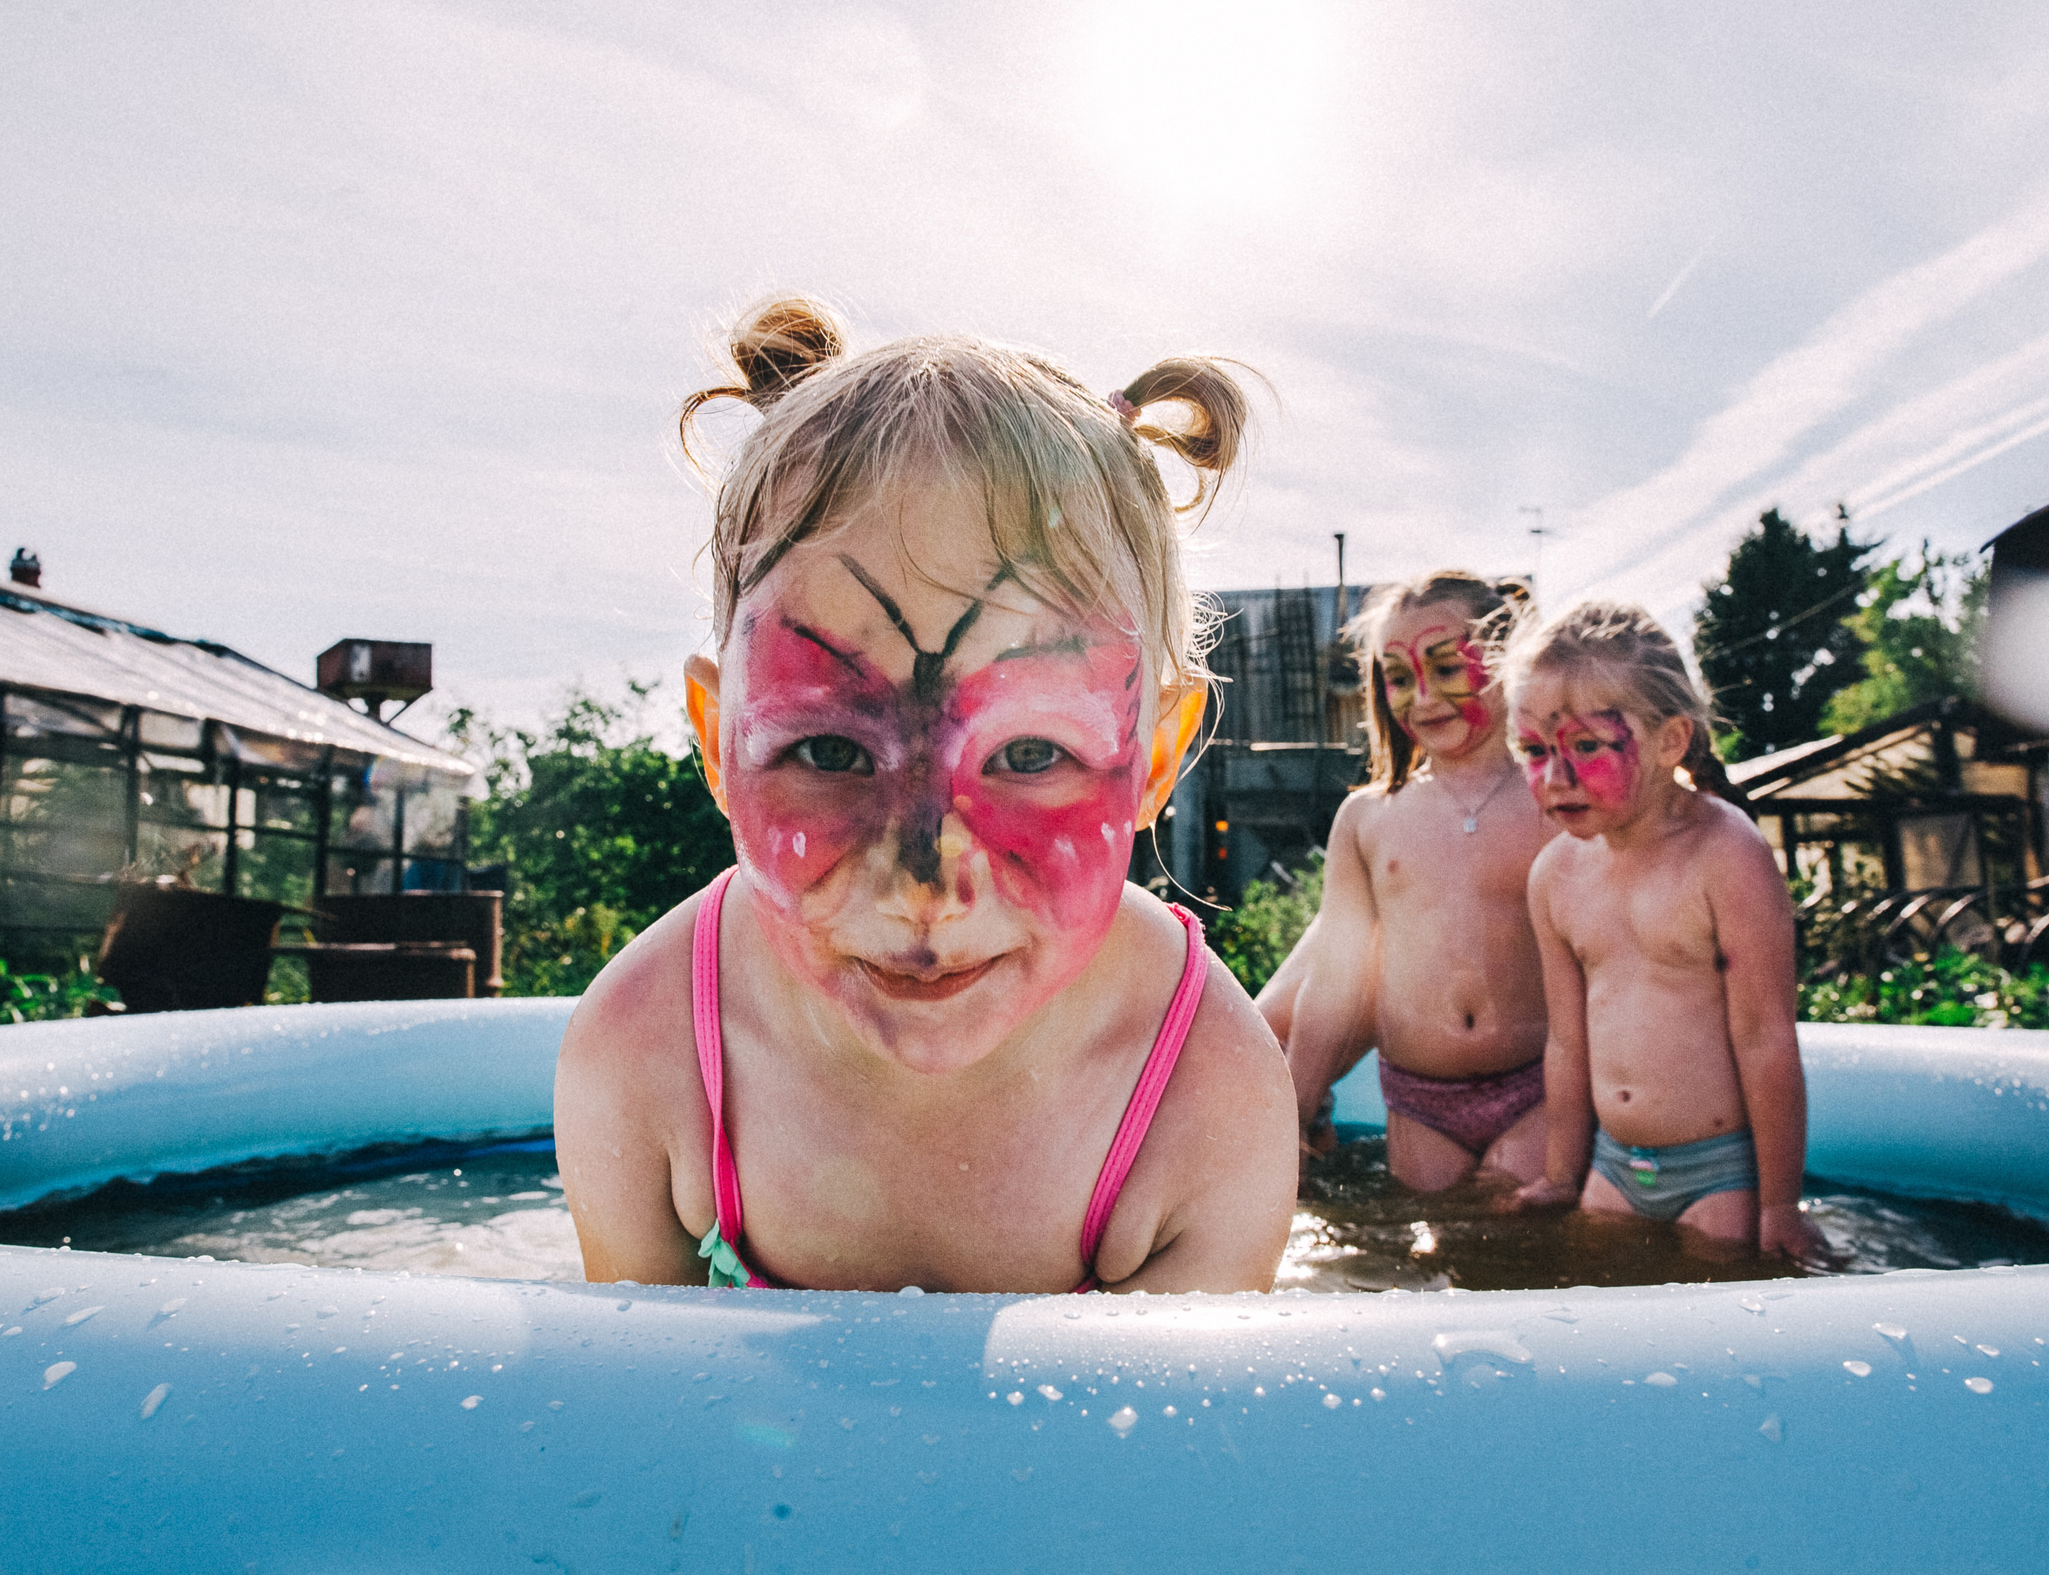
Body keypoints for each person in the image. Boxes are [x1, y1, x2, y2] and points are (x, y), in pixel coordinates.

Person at [554, 296, 1298, 1293]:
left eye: (1030, 755)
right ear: (720, 742)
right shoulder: (644, 1057)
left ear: (1154, 757)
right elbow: (650, 1427)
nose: (926, 880)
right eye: (828, 749)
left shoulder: (1204, 1096)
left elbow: (1164, 1451)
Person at [1502, 601, 1823, 1260]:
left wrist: (1780, 1205)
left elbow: (1766, 1036)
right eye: (1534, 751)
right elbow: (1567, 1041)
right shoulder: (1556, 874)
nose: (1555, 778)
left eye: (1587, 746)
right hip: (1612, 1165)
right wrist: (1562, 1176)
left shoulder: (1725, 853)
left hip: (1720, 1172)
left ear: (1671, 740)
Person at [1256, 572, 1553, 1190]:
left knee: (1524, 1254)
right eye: (1397, 676)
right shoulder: (1369, 818)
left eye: (1447, 667)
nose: (1422, 697)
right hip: (1419, 1099)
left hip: (1538, 1087)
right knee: (1433, 1248)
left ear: (1507, 659)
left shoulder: (1555, 804)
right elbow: (1334, 980)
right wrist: (1296, 1108)